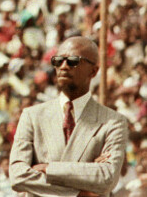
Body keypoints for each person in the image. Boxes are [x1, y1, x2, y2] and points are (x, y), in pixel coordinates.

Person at [9, 37, 129, 196]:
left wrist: (48, 168)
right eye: (58, 61)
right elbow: (18, 176)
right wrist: (81, 191)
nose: (63, 66)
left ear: (93, 71)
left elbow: (107, 178)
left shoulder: (113, 122)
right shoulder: (32, 116)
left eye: (73, 61)